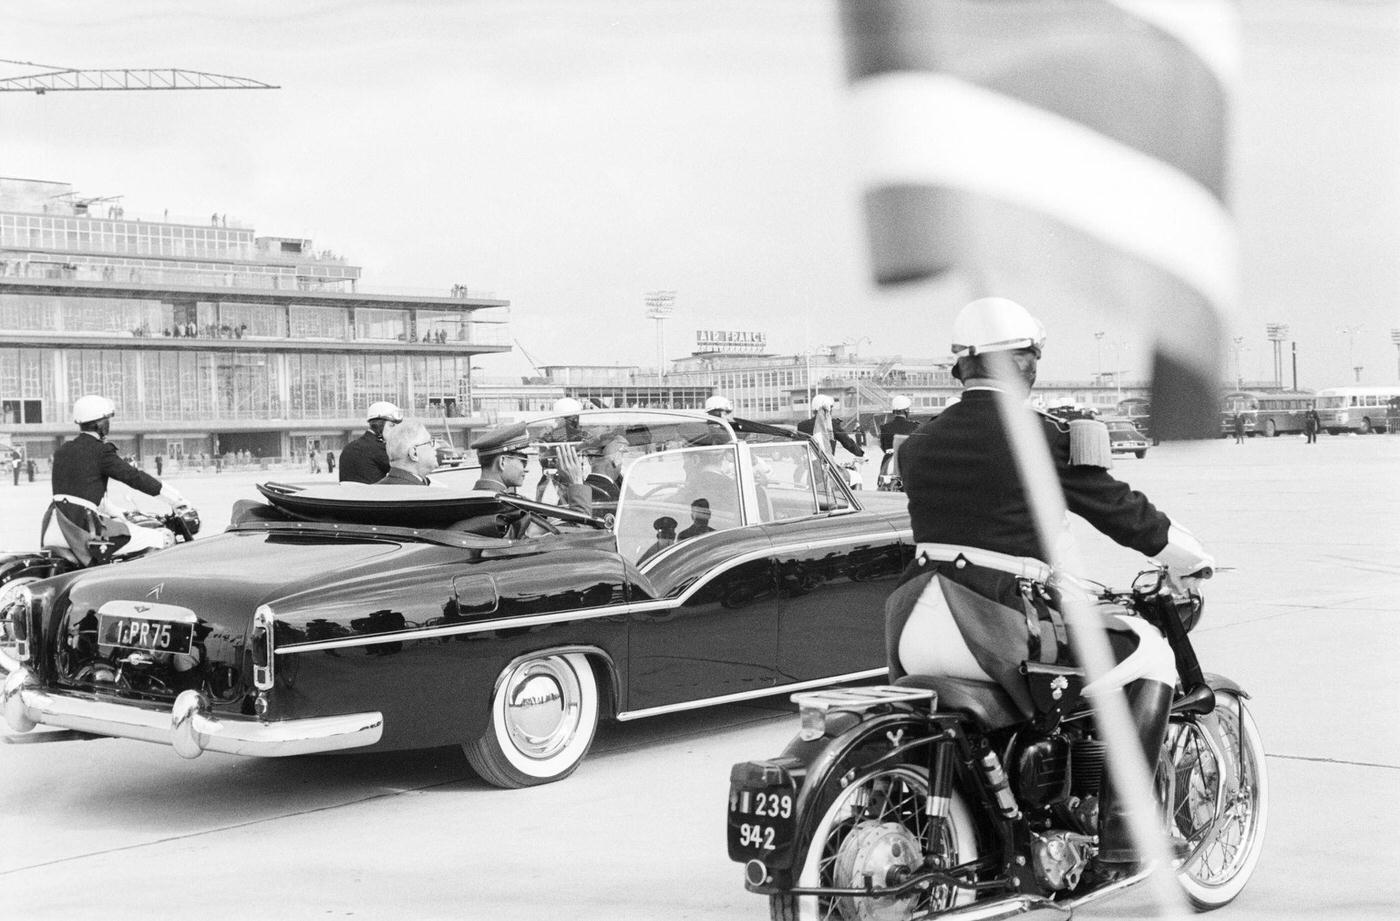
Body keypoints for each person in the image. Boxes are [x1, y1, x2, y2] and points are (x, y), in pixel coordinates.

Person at [889, 296, 1215, 869]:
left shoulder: (919, 443)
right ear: (1025, 364)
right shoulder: (1041, 435)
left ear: (960, 366)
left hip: (914, 621)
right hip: (994, 626)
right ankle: (1125, 827)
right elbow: (1120, 511)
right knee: (1150, 653)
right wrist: (1189, 557)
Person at [48, 395, 191, 557]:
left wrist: (121, 512)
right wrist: (177, 500)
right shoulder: (100, 451)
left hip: (55, 526)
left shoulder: (63, 451)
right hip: (81, 529)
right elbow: (135, 478)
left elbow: (81, 494)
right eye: (107, 420)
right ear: (100, 423)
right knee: (163, 537)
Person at [472, 421, 591, 513]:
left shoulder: (468, 502)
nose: (526, 469)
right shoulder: (513, 508)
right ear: (502, 462)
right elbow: (579, 534)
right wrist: (576, 483)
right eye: (524, 461)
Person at [535, 397, 586, 502]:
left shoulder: (576, 433)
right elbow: (542, 453)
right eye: (573, 419)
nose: (576, 421)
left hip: (573, 475)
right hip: (558, 474)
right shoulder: (551, 433)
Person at [340, 402, 402, 484]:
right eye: (392, 425)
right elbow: (405, 473)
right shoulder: (382, 450)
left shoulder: (349, 447)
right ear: (379, 425)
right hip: (375, 495)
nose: (396, 431)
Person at [798, 394, 865, 460]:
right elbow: (847, 442)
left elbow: (797, 448)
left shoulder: (801, 426)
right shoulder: (831, 424)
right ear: (826, 409)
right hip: (826, 465)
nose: (831, 411)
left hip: (807, 465)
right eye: (830, 408)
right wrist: (861, 454)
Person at [375, 419, 436, 485]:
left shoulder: (375, 489)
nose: (436, 446)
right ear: (414, 454)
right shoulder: (421, 492)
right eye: (429, 443)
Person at [579, 431, 627, 510]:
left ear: (590, 458)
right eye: (621, 454)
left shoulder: (572, 493)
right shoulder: (618, 497)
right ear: (616, 458)